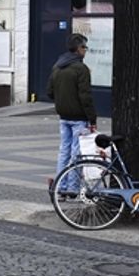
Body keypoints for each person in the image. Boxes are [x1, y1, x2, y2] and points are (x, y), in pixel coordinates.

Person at [48, 34, 97, 194]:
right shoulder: (81, 69)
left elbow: (49, 92)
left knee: (64, 151)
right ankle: (72, 188)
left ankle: (60, 186)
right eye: (84, 47)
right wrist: (92, 118)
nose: (85, 50)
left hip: (63, 116)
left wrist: (62, 99)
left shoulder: (57, 66)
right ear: (78, 49)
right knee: (77, 153)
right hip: (79, 117)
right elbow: (85, 97)